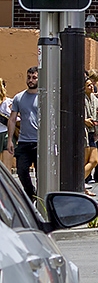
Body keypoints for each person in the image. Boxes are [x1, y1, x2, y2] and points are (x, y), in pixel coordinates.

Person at [10, 67, 40, 201]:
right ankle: (31, 194)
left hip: (40, 142)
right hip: (24, 142)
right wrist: (10, 140)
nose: (31, 80)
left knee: (41, 174)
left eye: (34, 77)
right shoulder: (19, 97)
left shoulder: (44, 97)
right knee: (22, 171)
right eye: (29, 77)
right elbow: (12, 119)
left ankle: (41, 199)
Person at [82, 75, 98, 183]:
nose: (91, 87)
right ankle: (80, 184)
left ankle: (79, 182)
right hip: (84, 132)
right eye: (88, 85)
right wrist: (85, 120)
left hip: (92, 131)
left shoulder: (94, 98)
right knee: (84, 161)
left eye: (91, 85)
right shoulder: (81, 99)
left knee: (94, 160)